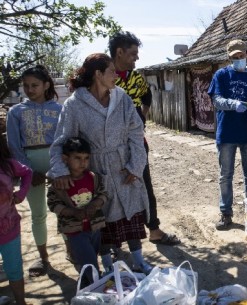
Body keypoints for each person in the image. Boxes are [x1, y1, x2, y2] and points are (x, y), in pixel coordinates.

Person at [47, 53, 153, 274]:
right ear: (98, 74)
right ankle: (108, 266)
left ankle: (139, 261)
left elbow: (136, 131)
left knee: (131, 216)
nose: (117, 75)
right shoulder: (75, 105)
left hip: (124, 166)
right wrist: (60, 171)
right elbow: (61, 141)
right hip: (95, 170)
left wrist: (136, 165)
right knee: (102, 220)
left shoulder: (121, 97)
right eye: (112, 71)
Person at [108, 31, 180, 245]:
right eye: (132, 54)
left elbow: (146, 95)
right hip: (110, 145)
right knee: (112, 188)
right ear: (119, 52)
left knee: (144, 183)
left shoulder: (135, 77)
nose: (136, 58)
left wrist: (143, 116)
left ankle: (154, 229)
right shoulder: (102, 75)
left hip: (137, 142)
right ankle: (113, 239)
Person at [6, 65, 62, 276]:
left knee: (62, 210)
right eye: (26, 85)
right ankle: (43, 257)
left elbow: (63, 141)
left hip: (56, 164)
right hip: (29, 167)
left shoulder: (59, 109)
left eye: (35, 85)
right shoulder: (16, 112)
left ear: (46, 85)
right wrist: (29, 171)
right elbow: (14, 145)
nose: (30, 89)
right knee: (38, 214)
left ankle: (72, 250)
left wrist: (59, 168)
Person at [207, 39, 247, 230]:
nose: (239, 59)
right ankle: (226, 213)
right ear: (229, 57)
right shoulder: (222, 74)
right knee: (226, 175)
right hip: (227, 132)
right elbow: (216, 100)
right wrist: (233, 104)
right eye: (235, 57)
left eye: (241, 56)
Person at [47, 137, 107, 287]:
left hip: (94, 227)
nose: (83, 163)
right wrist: (72, 212)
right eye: (78, 158)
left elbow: (103, 194)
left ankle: (87, 282)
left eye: (86, 158)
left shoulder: (93, 178)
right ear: (65, 159)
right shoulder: (59, 183)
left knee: (92, 255)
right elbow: (53, 205)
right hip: (74, 230)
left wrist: (95, 204)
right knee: (89, 260)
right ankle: (97, 285)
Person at [0, 135, 33, 305]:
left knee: (14, 270)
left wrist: (21, 194)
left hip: (9, 230)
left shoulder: (7, 165)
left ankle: (21, 302)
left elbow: (27, 172)